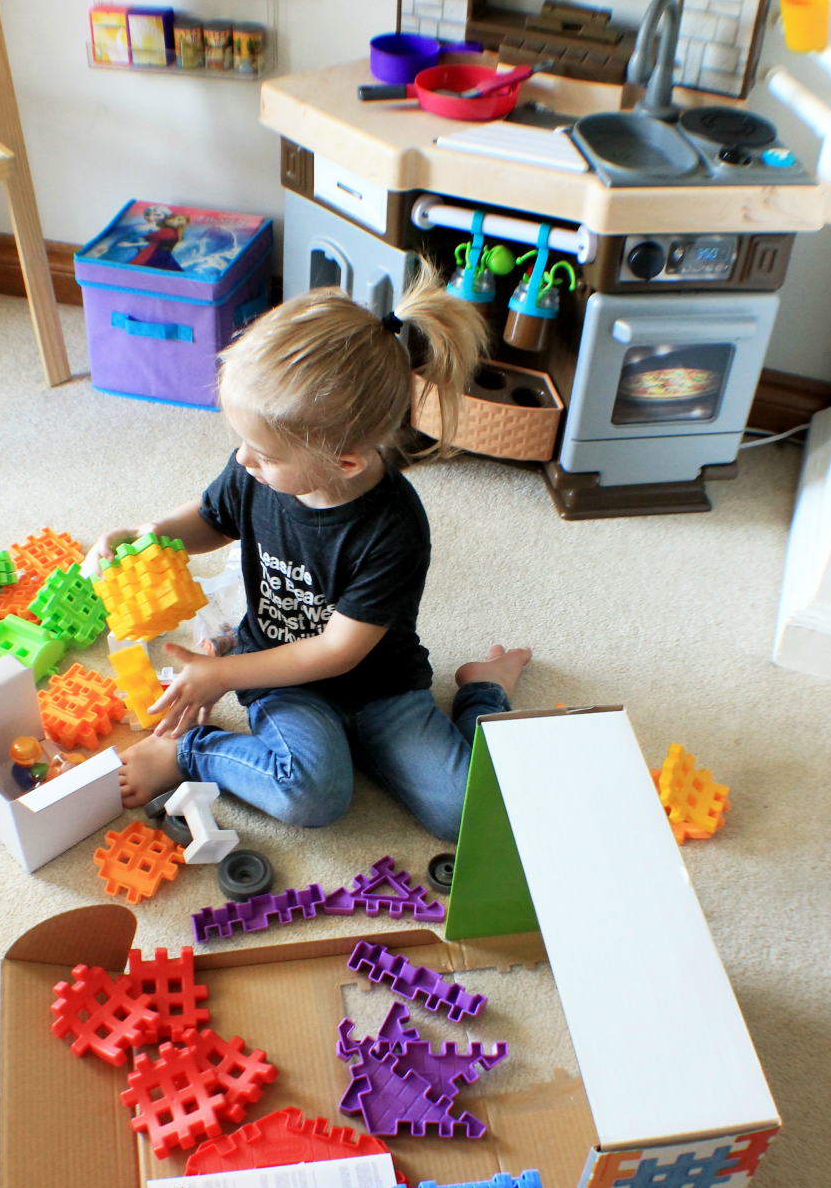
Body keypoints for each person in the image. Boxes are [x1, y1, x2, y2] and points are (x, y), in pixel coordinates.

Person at [84, 261, 531, 842]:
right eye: (242, 443)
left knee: (468, 816)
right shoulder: (258, 471)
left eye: (263, 453)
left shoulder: (393, 528)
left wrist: (219, 674)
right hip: (283, 679)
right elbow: (209, 520)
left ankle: (483, 689)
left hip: (380, 686)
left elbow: (338, 652)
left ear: (346, 462)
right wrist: (143, 534)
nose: (244, 461)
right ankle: (190, 751)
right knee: (313, 795)